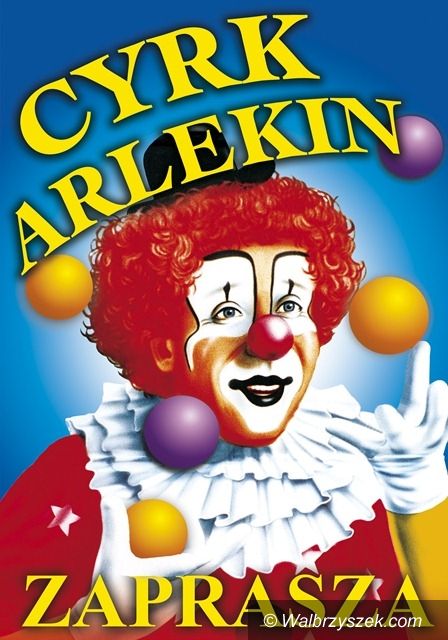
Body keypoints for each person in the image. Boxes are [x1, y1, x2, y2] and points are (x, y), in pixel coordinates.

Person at [1, 127, 447, 640]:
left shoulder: (349, 486)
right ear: (160, 341)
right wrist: (95, 630)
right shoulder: (82, 478)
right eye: (226, 310)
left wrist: (421, 502)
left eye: (290, 304)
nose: (271, 337)